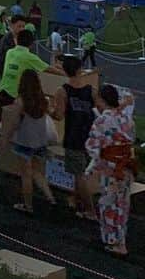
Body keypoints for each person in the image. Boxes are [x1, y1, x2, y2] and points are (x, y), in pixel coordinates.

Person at [85, 84, 136, 258]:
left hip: (111, 168)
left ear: (101, 99)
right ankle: (119, 240)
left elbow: (93, 146)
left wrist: (95, 164)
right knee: (122, 205)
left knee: (108, 204)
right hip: (126, 167)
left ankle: (113, 241)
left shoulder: (102, 120)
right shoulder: (127, 119)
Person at [51, 54, 97, 220]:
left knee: (78, 175)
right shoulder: (91, 91)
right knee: (81, 173)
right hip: (90, 137)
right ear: (80, 70)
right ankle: (77, 201)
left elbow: (59, 115)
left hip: (73, 137)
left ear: (65, 71)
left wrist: (49, 111)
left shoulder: (62, 91)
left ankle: (90, 209)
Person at [11, 69, 56, 215]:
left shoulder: (20, 101)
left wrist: (8, 135)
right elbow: (52, 114)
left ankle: (28, 205)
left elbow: (16, 123)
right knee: (38, 172)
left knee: (26, 174)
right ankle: (50, 197)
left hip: (24, 141)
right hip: (41, 140)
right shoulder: (44, 100)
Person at [0, 29, 50, 105]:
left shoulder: (10, 52)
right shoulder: (30, 57)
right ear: (31, 43)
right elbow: (48, 69)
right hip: (14, 96)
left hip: (1, 90)